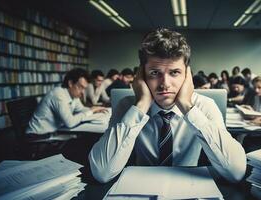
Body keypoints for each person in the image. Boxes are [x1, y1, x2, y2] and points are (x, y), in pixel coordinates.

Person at [89, 28, 246, 183]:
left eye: (174, 72)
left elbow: (235, 172)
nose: (165, 84)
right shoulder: (129, 106)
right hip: (141, 186)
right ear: (141, 75)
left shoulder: (205, 106)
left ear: (187, 75)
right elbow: (102, 172)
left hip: (188, 186)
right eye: (155, 73)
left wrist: (186, 106)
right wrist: (141, 105)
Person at [26, 68, 107, 134]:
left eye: (84, 88)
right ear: (71, 83)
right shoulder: (58, 95)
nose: (83, 92)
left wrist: (94, 110)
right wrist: (89, 112)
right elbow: (70, 123)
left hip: (54, 131)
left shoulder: (74, 95)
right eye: (81, 87)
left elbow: (81, 109)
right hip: (38, 135)